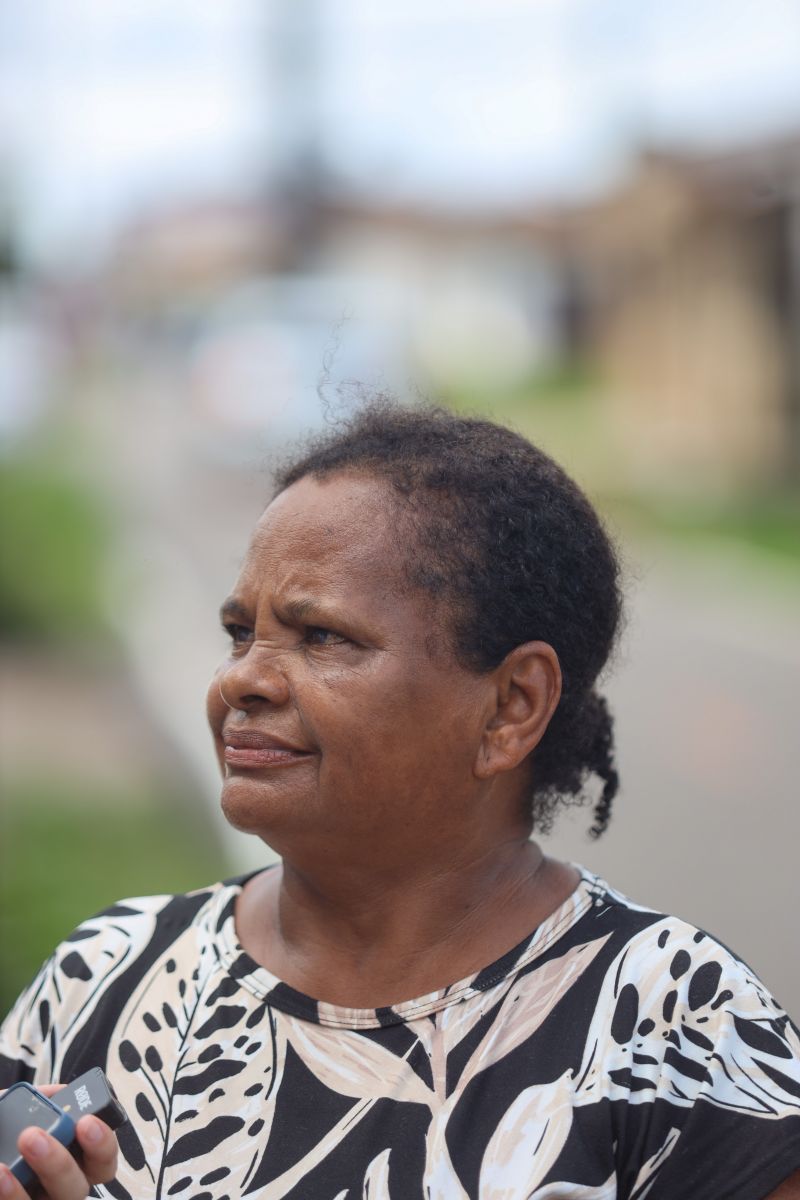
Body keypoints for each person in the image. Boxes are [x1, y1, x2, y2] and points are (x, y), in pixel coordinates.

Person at [1, 403, 799, 1200]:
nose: (242, 678)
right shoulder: (108, 974)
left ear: (511, 707)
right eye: (241, 632)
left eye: (322, 637)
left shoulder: (678, 1027)